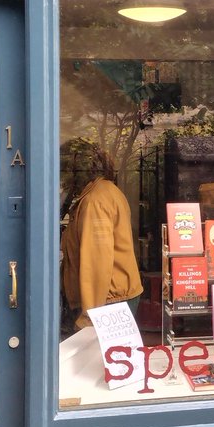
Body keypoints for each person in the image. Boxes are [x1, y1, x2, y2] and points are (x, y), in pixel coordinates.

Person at [60, 138, 143, 334]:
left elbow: (96, 261)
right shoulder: (105, 191)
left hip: (108, 301)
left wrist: (89, 316)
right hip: (112, 298)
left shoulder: (94, 201)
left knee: (98, 362)